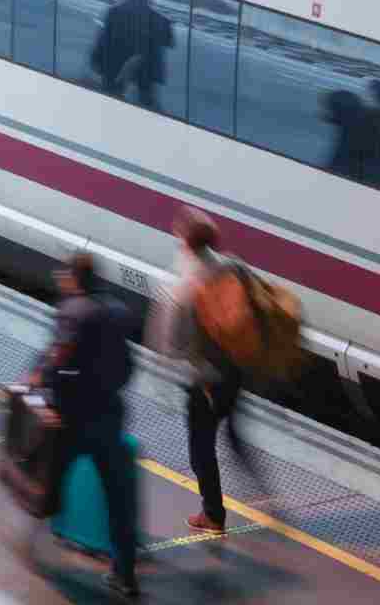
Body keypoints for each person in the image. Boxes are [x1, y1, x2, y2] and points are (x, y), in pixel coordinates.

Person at [27, 252, 140, 598]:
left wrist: (42, 389)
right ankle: (125, 576)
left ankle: (32, 538)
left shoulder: (73, 311)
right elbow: (127, 361)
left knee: (45, 475)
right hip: (110, 414)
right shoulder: (117, 311)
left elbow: (57, 359)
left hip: (75, 418)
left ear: (73, 279)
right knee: (118, 498)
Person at [145, 206, 255, 535]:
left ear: (184, 242)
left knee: (200, 450)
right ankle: (253, 473)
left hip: (205, 382)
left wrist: (162, 380)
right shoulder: (234, 266)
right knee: (231, 423)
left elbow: (170, 344)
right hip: (236, 370)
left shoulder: (181, 285)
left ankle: (213, 515)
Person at [90, 0, 174, 110]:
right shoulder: (161, 20)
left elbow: (103, 39)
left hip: (114, 64)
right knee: (146, 103)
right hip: (146, 70)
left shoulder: (114, 12)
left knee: (110, 97)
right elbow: (169, 42)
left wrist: (95, 59)